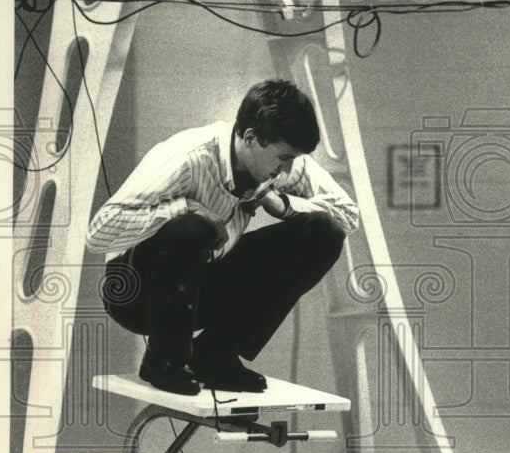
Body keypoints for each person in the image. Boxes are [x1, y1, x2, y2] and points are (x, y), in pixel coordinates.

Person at [86, 79, 359, 395]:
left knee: (324, 232)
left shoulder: (281, 161)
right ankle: (165, 360)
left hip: (199, 285)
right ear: (251, 138)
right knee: (193, 228)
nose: (287, 171)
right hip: (134, 294)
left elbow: (347, 215)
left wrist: (283, 204)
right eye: (283, 159)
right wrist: (186, 208)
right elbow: (98, 233)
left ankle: (214, 354)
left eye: (292, 160)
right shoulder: (187, 157)